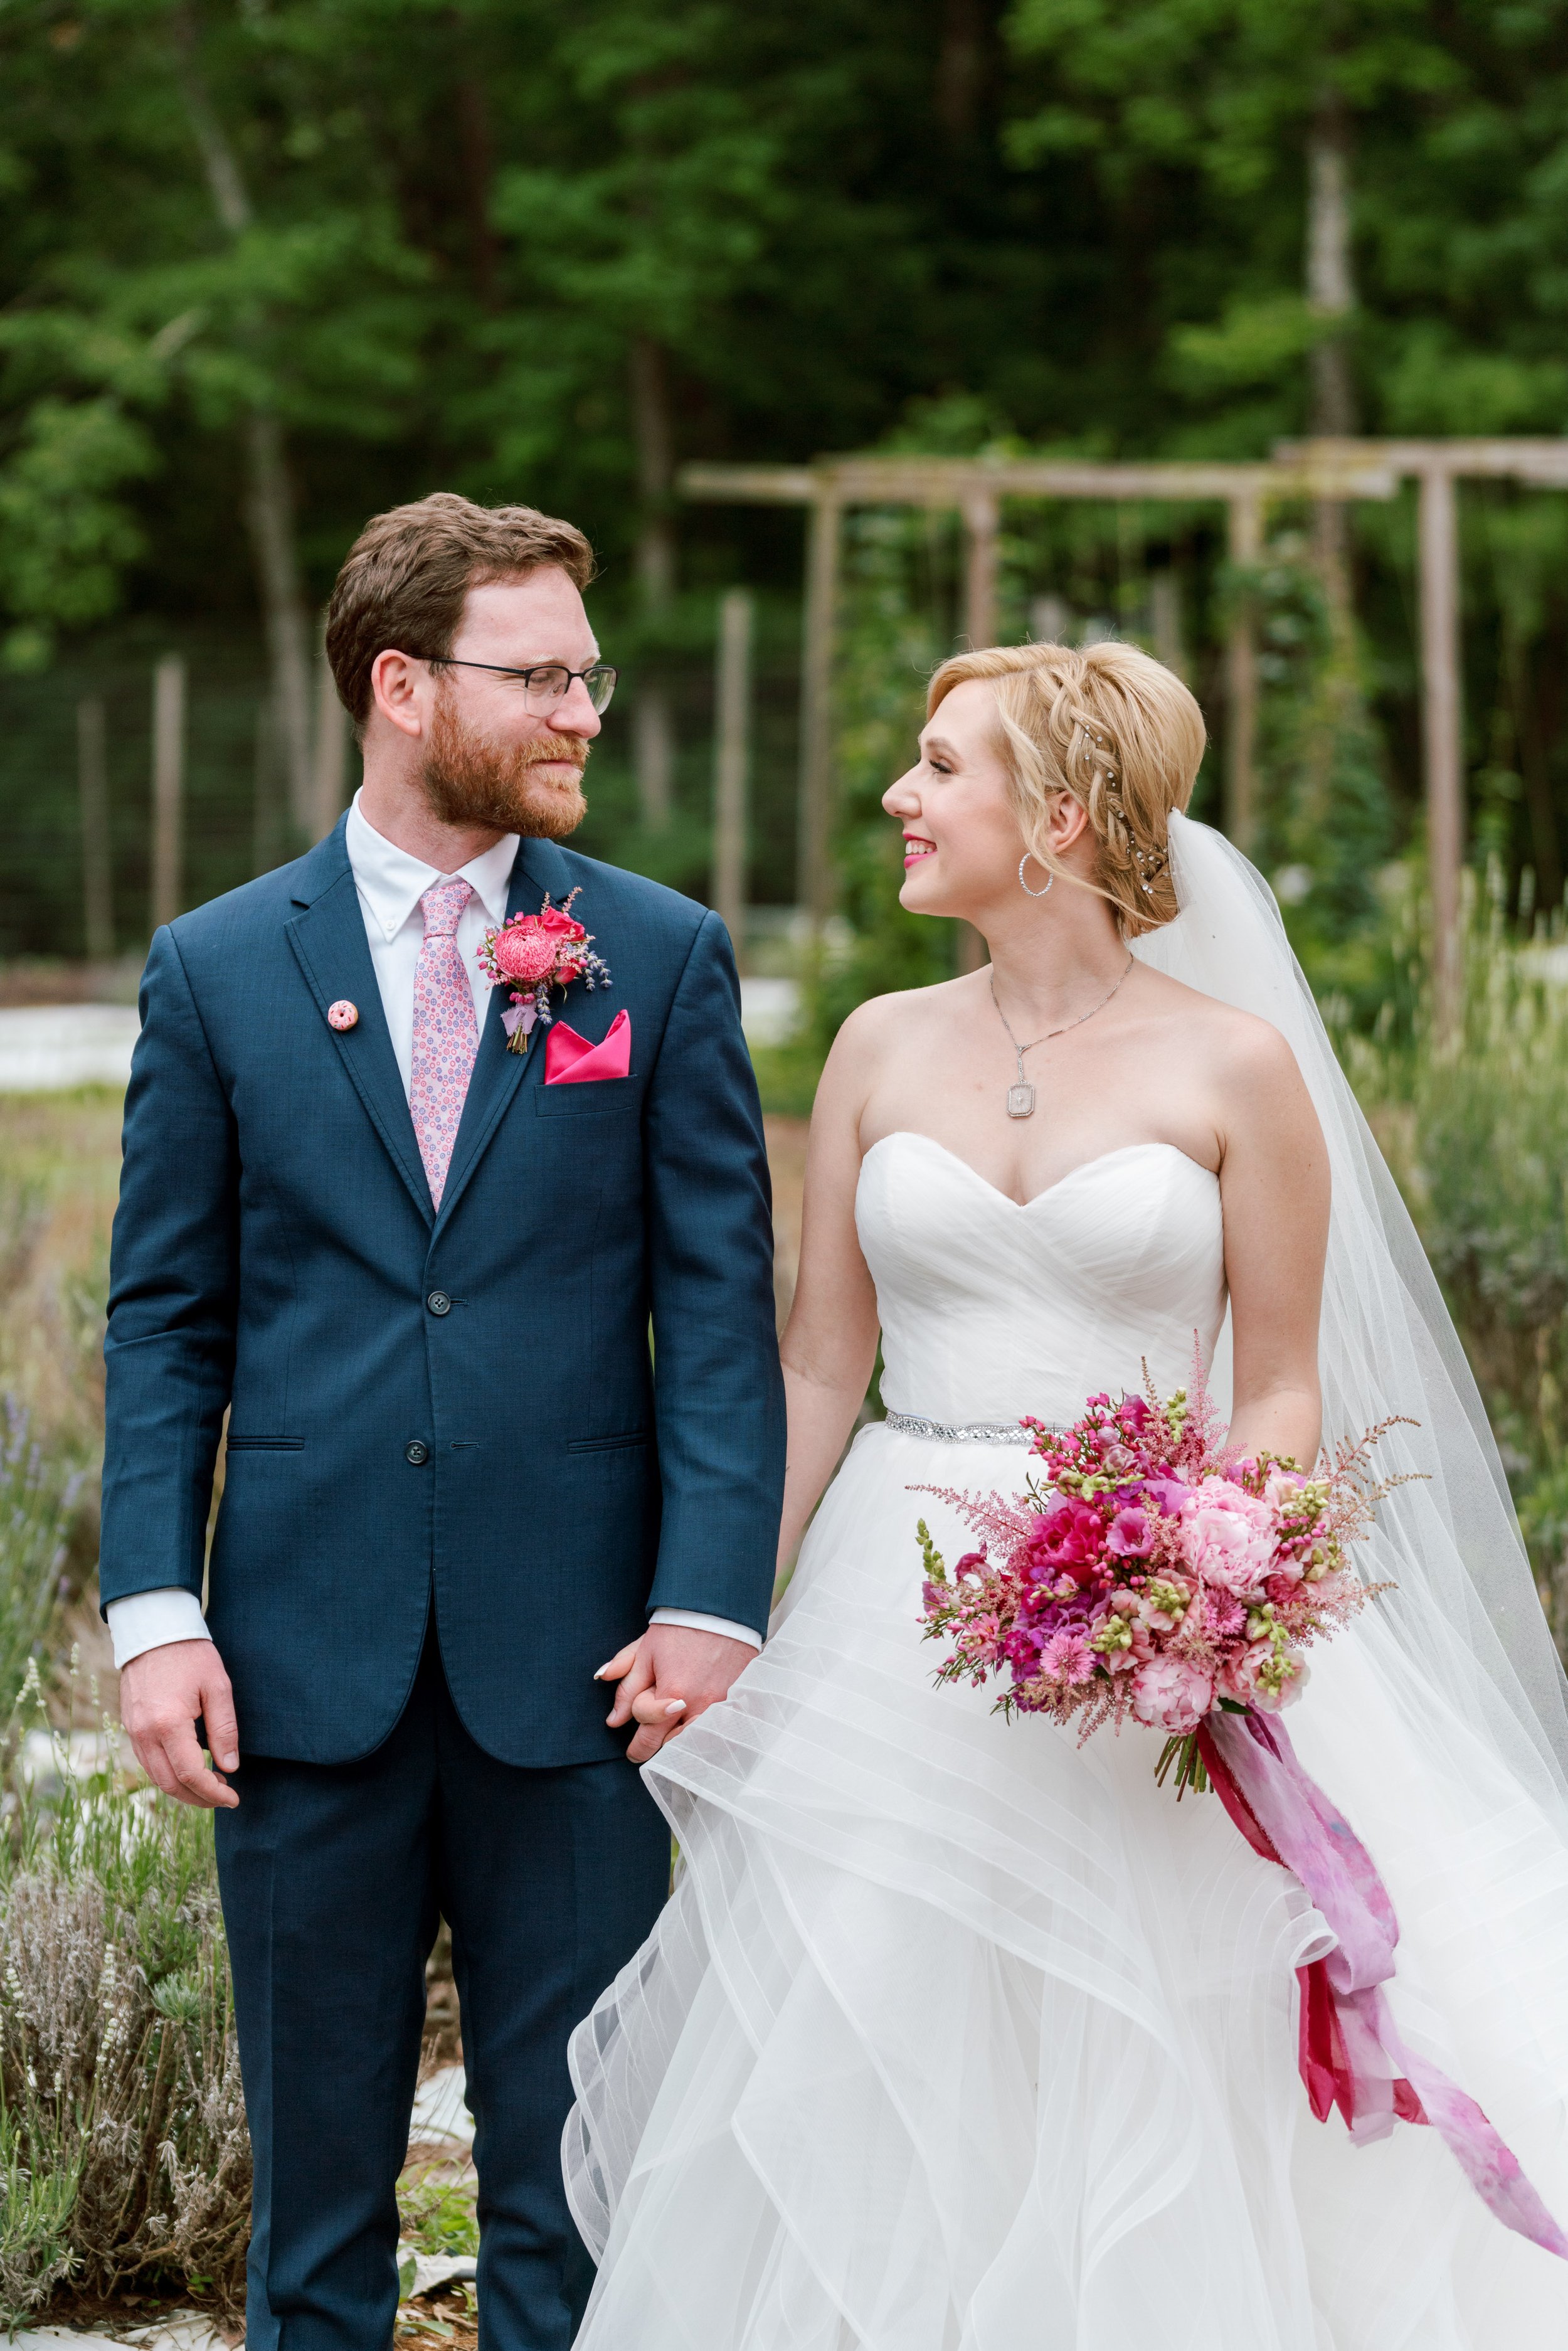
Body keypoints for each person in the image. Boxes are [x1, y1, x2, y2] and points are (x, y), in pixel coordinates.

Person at [572, 639, 1568, 2345]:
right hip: (899, 1612)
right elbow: (820, 1361)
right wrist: (720, 1601)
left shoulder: (1235, 1067)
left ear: (1057, 815)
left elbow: (1272, 1384)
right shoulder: (878, 1048)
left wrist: (1204, 1574)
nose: (898, 794)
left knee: (1158, 2056)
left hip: (1153, 1617)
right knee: (876, 2043)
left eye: (937, 765)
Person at [97, 492, 784, 2351]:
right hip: (295, 1668)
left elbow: (718, 1313)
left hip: (584, 1672)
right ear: (402, 685)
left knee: (569, 2198)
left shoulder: (656, 955)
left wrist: (713, 1598)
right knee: (311, 2218)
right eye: (539, 673)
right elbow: (166, 1317)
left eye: (590, 674)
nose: (582, 710)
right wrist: (155, 1613)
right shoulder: (217, 966)